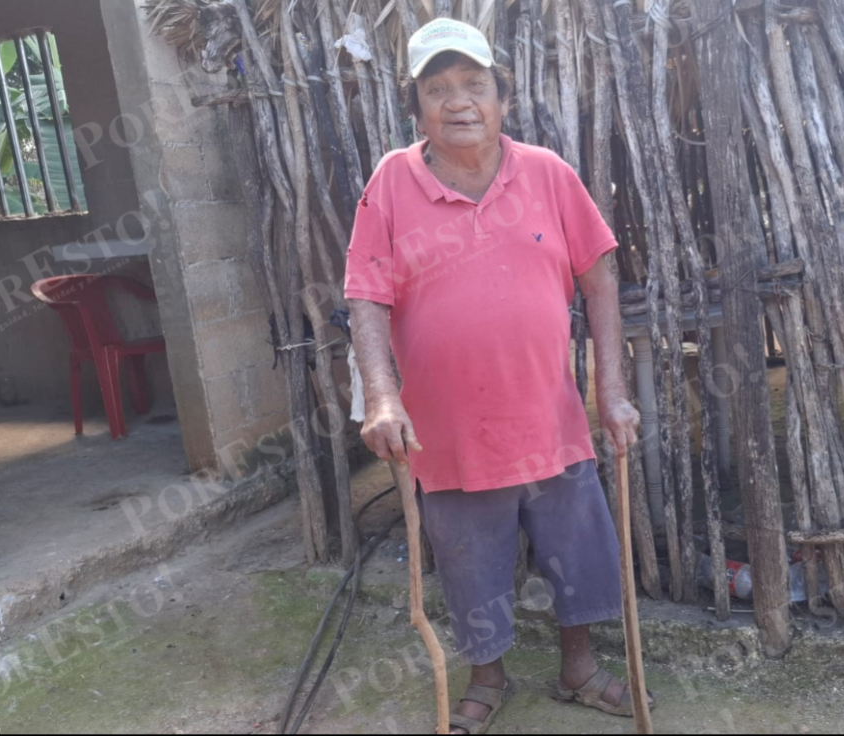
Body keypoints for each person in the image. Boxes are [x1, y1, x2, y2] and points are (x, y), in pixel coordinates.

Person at [344, 17, 650, 736]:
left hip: (549, 418)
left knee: (576, 553)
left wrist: (612, 393)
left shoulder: (547, 173)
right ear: (416, 107)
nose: (458, 101)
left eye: (474, 84)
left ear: (503, 97)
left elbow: (600, 280)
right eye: (437, 89)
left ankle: (578, 669)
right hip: (448, 431)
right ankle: (487, 677)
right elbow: (365, 295)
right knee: (468, 562)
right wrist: (382, 398)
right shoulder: (391, 183)